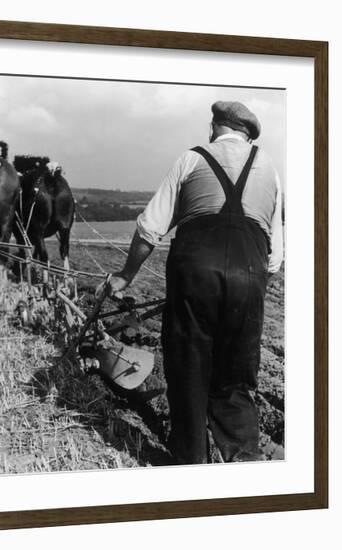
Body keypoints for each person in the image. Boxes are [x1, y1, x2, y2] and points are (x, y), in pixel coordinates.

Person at [96, 100, 284, 464]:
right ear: (247, 134)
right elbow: (274, 259)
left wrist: (125, 276)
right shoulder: (270, 170)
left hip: (194, 275)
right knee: (236, 380)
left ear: (216, 127)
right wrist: (247, 284)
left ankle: (191, 463)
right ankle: (245, 462)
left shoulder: (192, 159)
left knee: (188, 370)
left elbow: (150, 228)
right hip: (250, 279)